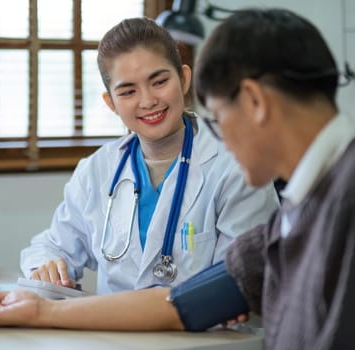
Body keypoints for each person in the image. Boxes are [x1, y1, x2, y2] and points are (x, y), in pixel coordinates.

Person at [0, 9, 355, 349]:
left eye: (217, 113)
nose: (216, 135)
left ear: (252, 102)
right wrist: (40, 310)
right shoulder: (308, 202)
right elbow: (182, 301)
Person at [19, 17, 277, 293]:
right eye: (128, 91)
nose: (147, 101)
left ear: (184, 78)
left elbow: (235, 285)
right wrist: (47, 266)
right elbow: (51, 246)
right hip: (113, 334)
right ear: (111, 103)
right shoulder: (97, 170)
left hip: (207, 336)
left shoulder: (238, 166)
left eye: (159, 81)